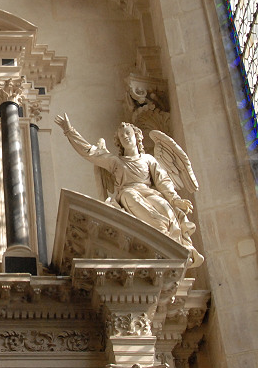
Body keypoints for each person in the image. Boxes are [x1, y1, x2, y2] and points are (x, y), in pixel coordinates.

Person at [55, 114, 203, 267]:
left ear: (136, 136)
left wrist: (174, 199)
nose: (125, 137)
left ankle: (173, 246)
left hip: (150, 193)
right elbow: (89, 152)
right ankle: (161, 241)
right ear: (118, 141)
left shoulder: (148, 159)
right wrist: (69, 131)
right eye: (121, 135)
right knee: (130, 196)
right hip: (128, 193)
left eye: (128, 133)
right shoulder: (115, 162)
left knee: (167, 211)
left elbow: (162, 181)